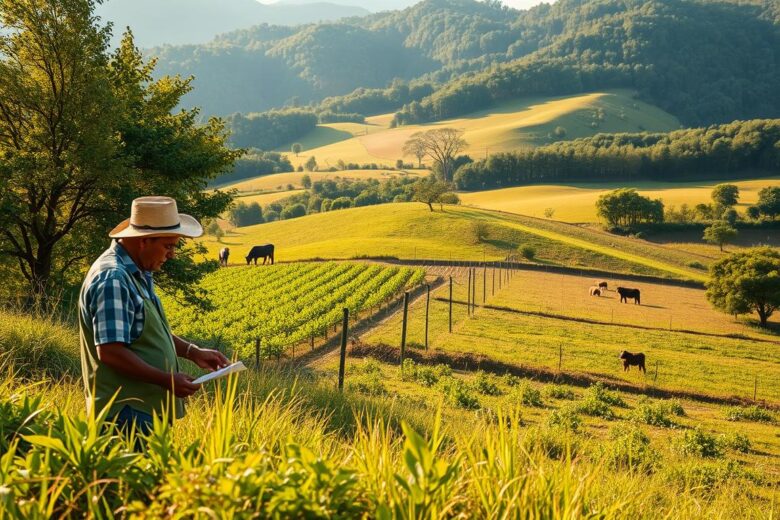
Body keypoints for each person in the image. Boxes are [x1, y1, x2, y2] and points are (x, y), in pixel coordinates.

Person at [78, 196, 229, 439]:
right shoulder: (113, 279)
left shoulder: (136, 272)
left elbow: (144, 330)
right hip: (125, 414)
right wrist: (166, 380)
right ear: (144, 241)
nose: (172, 255)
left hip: (141, 411)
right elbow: (110, 351)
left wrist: (192, 351)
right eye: (168, 246)